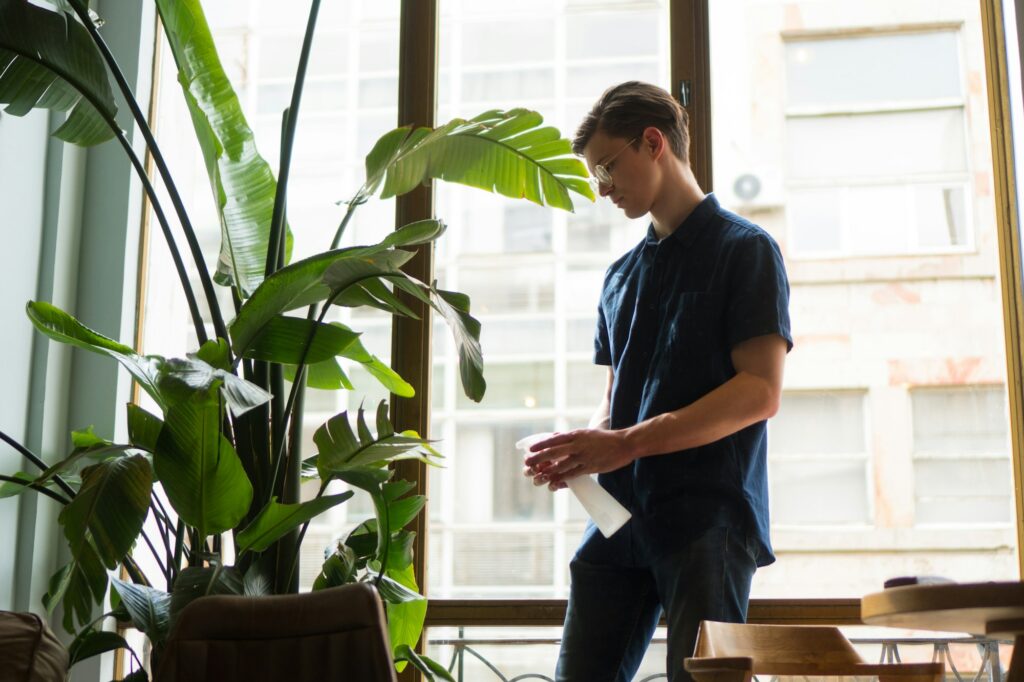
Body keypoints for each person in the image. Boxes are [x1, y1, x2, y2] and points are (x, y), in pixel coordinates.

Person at [522, 81, 793, 682]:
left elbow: (759, 392)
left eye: (607, 168)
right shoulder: (618, 277)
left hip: (707, 516)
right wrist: (579, 450)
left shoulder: (746, 250)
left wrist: (623, 443)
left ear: (652, 142)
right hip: (618, 517)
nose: (603, 189)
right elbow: (615, 401)